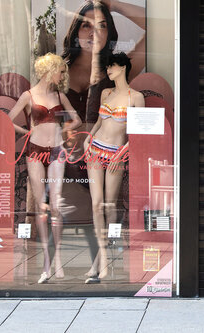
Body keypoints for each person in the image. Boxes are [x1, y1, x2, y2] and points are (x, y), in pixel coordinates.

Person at [8, 53, 81, 283]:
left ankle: (58, 258)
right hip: (35, 151)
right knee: (42, 206)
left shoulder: (59, 95)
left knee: (56, 203)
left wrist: (65, 129)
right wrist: (26, 132)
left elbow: (77, 119)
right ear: (49, 70)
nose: (62, 76)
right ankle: (46, 262)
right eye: (60, 71)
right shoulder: (28, 96)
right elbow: (8, 119)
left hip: (57, 149)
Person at [83, 52, 144, 283]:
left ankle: (103, 261)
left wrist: (124, 151)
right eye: (108, 66)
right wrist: (88, 138)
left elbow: (139, 133)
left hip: (117, 154)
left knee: (110, 205)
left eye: (113, 66)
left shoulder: (135, 97)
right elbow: (100, 122)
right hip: (96, 149)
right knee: (96, 204)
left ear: (124, 68)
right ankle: (101, 258)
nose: (109, 69)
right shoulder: (106, 93)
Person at [61, 0, 146, 123]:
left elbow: (157, 27)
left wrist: (114, 5)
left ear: (108, 33)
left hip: (103, 142)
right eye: (86, 25)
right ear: (76, 31)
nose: (94, 33)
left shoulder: (120, 70)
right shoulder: (57, 69)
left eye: (101, 26)